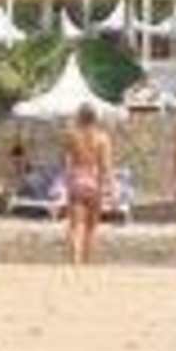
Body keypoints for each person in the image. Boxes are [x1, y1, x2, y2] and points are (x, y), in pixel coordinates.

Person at [61, 102, 113, 265]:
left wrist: (67, 182)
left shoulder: (72, 136)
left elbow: (67, 162)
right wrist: (109, 185)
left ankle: (75, 261)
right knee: (91, 227)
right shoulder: (102, 138)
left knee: (75, 226)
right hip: (94, 179)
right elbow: (105, 165)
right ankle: (86, 261)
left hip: (77, 178)